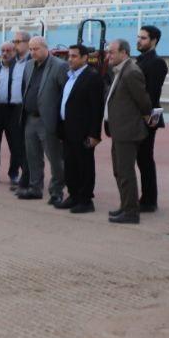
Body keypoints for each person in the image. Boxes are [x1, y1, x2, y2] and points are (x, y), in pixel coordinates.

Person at [102, 39, 151, 224]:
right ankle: (125, 206)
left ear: (124, 52)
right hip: (119, 130)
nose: (109, 56)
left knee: (125, 172)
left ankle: (131, 212)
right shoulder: (120, 70)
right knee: (119, 171)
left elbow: (143, 101)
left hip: (128, 131)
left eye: (112, 52)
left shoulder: (131, 71)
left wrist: (145, 116)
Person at [18, 36, 68, 202]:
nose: (32, 52)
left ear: (46, 48)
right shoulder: (28, 66)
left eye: (36, 49)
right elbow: (26, 88)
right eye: (31, 49)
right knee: (33, 157)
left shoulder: (59, 66)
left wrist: (60, 120)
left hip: (49, 120)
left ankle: (56, 191)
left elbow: (65, 94)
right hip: (30, 118)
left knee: (55, 159)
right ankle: (35, 188)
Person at [55, 44, 104, 213]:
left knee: (84, 165)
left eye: (74, 56)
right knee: (70, 165)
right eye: (69, 56)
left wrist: (94, 134)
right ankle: (74, 195)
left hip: (83, 132)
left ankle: (86, 200)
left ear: (84, 58)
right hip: (67, 129)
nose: (70, 59)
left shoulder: (92, 77)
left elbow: (97, 108)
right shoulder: (70, 77)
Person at [134, 25, 168, 212]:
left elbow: (152, 94)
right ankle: (146, 198)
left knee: (145, 159)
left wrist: (149, 118)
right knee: (141, 159)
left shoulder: (156, 63)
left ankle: (149, 200)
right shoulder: (139, 60)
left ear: (154, 40)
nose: (139, 40)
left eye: (144, 38)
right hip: (139, 116)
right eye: (138, 37)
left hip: (148, 117)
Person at [0, 40, 25, 185]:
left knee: (15, 144)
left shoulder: (20, 68)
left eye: (9, 50)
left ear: (15, 52)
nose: (5, 53)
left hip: (14, 110)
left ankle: (14, 174)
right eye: (3, 51)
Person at [8, 29, 32, 191]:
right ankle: (23, 178)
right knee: (17, 145)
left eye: (17, 42)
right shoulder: (13, 62)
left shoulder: (33, 61)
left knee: (29, 146)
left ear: (27, 44)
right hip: (13, 109)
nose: (14, 45)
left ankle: (30, 180)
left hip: (28, 109)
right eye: (14, 41)